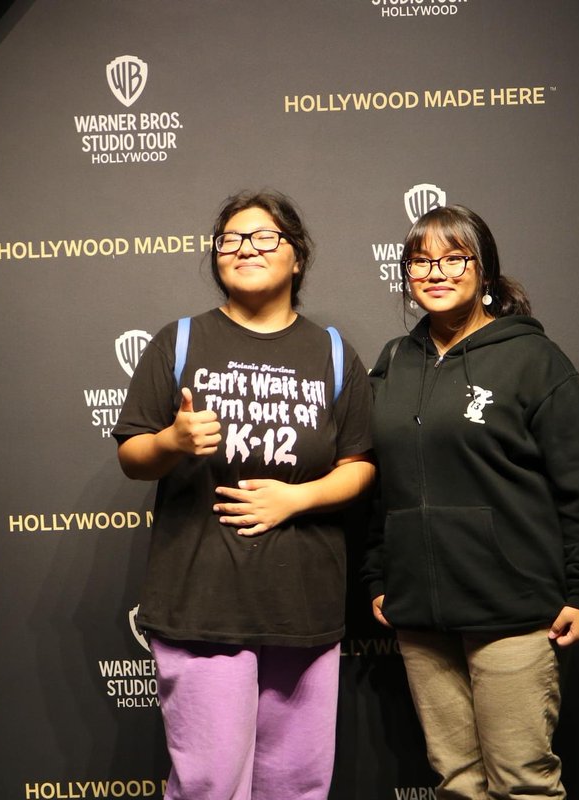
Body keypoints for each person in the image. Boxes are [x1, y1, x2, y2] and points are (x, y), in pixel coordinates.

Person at [113, 189, 374, 800]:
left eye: (263, 238)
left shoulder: (334, 354)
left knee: (298, 784)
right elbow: (131, 457)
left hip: (302, 603)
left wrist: (296, 498)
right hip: (202, 601)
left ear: (297, 257)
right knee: (210, 782)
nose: (244, 249)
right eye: (229, 240)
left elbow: (359, 466)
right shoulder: (178, 342)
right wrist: (173, 441)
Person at [363, 205, 579, 799]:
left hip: (513, 610)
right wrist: (378, 572)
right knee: (456, 783)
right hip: (421, 615)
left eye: (454, 257)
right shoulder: (393, 363)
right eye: (421, 261)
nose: (437, 271)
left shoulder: (534, 360)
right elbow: (380, 481)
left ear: (484, 270)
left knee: (522, 782)